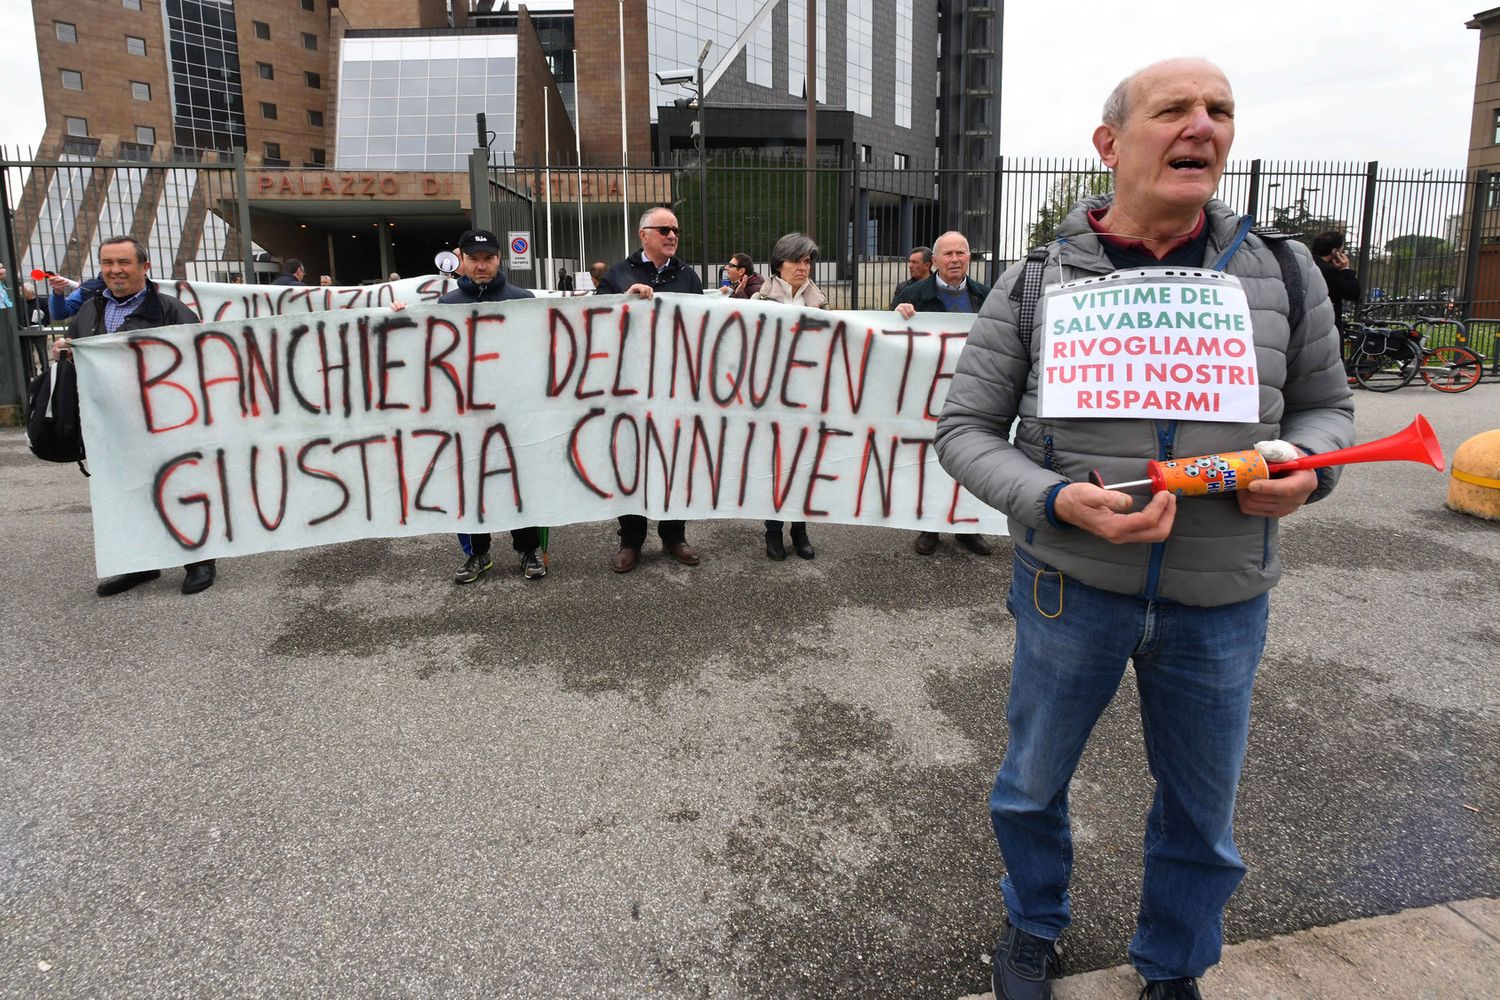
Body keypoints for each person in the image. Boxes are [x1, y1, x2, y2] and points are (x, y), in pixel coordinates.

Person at [935, 59, 1354, 1000]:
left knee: (1202, 813)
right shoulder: (1036, 277)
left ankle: (1174, 965)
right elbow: (963, 432)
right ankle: (1033, 925)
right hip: (1069, 587)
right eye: (1174, 110)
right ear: (1111, 143)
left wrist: (1308, 470)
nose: (1202, 125)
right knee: (1031, 783)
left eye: (1220, 111)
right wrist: (1049, 500)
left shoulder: (1282, 269)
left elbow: (1329, 411)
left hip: (1221, 598)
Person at [48, 235, 216, 596]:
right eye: (108, 263)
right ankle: (138, 563)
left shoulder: (170, 310)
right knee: (123, 493)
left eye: (124, 263)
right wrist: (64, 349)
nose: (115, 271)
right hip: (110, 422)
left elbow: (201, 356)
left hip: (165, 420)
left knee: (179, 486)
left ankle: (199, 560)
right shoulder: (90, 311)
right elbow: (81, 361)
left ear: (144, 267)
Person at [594, 207, 704, 573]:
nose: (672, 235)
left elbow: (701, 327)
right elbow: (595, 322)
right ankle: (631, 540)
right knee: (632, 462)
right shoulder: (618, 273)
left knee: (673, 461)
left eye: (676, 230)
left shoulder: (688, 276)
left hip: (674, 387)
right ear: (644, 235)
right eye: (664, 229)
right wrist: (623, 300)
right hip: (631, 387)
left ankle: (674, 536)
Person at [436, 228, 548, 584]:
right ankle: (476, 553)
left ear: (499, 259)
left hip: (515, 409)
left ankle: (528, 548)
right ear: (461, 260)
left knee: (521, 478)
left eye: (488, 259)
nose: (481, 266)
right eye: (474, 259)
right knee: (468, 480)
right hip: (466, 412)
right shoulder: (448, 305)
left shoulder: (522, 298)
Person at [893, 230, 994, 557]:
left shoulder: (986, 295)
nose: (954, 259)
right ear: (934, 261)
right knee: (931, 458)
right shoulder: (912, 295)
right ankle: (931, 525)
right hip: (928, 392)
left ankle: (967, 526)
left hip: (973, 390)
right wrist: (900, 315)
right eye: (947, 254)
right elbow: (891, 339)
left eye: (960, 253)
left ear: (968, 258)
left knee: (972, 457)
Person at [752, 234, 824, 560]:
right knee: (776, 466)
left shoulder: (820, 302)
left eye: (808, 261)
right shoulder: (759, 302)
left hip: (808, 399)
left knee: (804, 464)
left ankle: (800, 528)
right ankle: (773, 530)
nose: (803, 267)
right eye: (797, 260)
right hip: (772, 400)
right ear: (779, 263)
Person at [1311, 231, 1360, 338]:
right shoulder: (1329, 272)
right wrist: (1345, 269)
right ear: (1335, 252)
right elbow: (1353, 293)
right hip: (1325, 327)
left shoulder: (1308, 264)